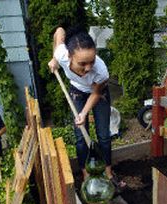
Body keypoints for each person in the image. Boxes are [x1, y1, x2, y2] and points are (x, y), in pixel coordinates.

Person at [48, 26, 125, 189]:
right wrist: (54, 59)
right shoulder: (61, 54)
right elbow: (60, 31)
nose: (88, 67)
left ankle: (109, 174)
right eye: (82, 63)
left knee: (104, 135)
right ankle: (86, 176)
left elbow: (96, 94)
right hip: (76, 91)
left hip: (98, 93)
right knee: (80, 137)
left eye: (92, 61)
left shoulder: (101, 70)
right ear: (69, 56)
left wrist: (83, 113)